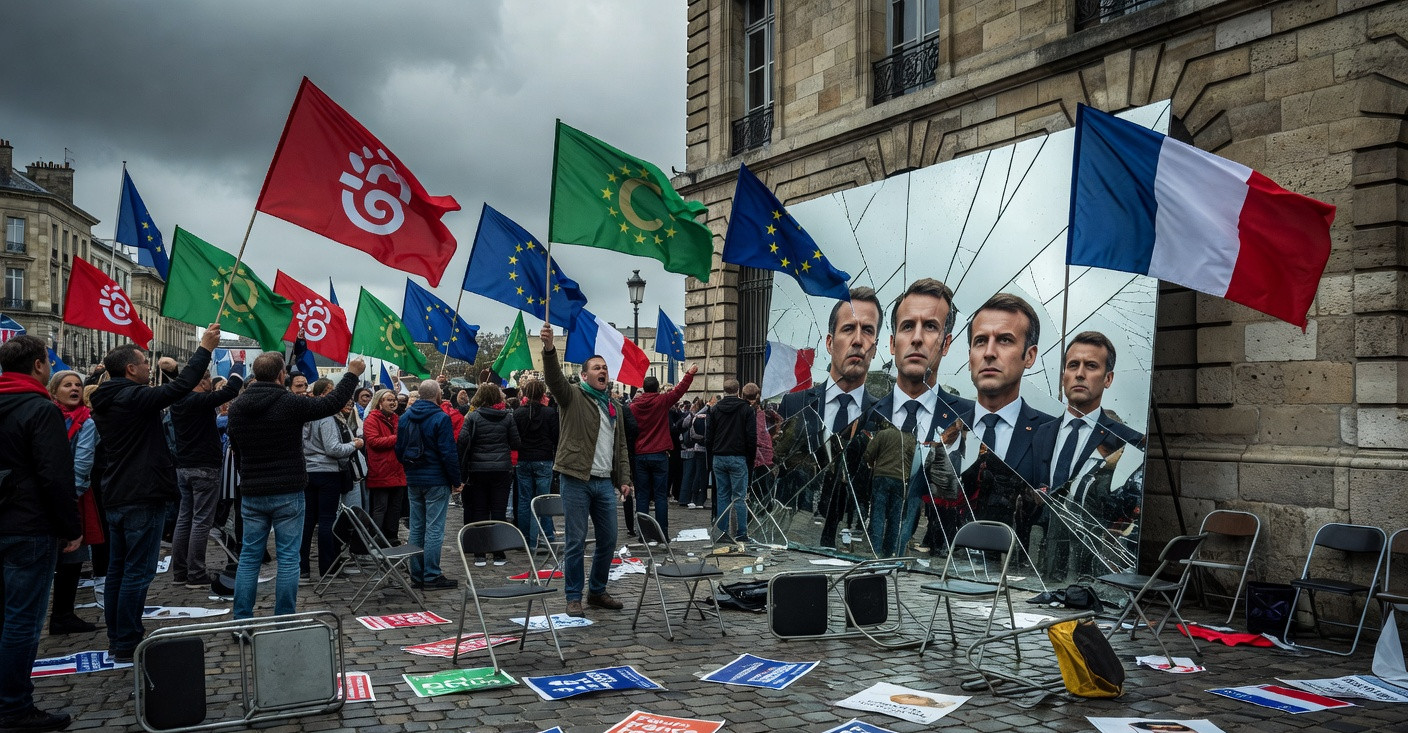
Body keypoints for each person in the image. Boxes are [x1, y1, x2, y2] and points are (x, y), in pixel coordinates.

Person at [90, 326, 220, 662]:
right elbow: (178, 388)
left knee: (118, 569)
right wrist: (203, 349)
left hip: (118, 492)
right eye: (144, 364)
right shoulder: (131, 397)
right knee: (137, 571)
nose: (149, 369)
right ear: (130, 369)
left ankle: (119, 637)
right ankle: (128, 639)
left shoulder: (108, 398)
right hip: (141, 493)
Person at [226, 353, 364, 619]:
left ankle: (241, 619)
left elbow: (237, 449)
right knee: (288, 558)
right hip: (287, 489)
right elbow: (330, 404)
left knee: (249, 557)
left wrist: (249, 475)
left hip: (253, 490)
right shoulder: (287, 402)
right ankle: (284, 618)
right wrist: (352, 373)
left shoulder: (238, 406)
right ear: (281, 376)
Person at [0, 335, 83, 732]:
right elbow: (56, 475)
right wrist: (70, 528)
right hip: (30, 526)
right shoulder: (39, 409)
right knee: (22, 621)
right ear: (38, 366)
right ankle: (14, 706)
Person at [866, 278, 973, 555]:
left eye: (930, 326)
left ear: (946, 343)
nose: (916, 338)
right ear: (892, 343)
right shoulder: (868, 413)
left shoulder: (967, 417)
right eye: (907, 326)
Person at [538, 322, 632, 617]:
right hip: (576, 478)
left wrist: (624, 479)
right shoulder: (573, 396)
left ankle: (597, 591)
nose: (602, 371)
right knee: (575, 540)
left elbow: (621, 448)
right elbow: (554, 379)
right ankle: (573, 596)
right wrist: (550, 349)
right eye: (596, 368)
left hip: (604, 482)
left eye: (604, 367)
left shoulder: (613, 406)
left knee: (609, 539)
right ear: (584, 375)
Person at [777, 287, 882, 547]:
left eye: (868, 330)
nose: (858, 340)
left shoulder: (883, 415)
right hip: (793, 543)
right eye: (848, 329)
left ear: (876, 348)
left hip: (854, 546)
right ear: (829, 341)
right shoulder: (794, 404)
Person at [168, 367, 243, 589]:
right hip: (204, 466)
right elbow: (230, 391)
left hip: (184, 466)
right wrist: (237, 373)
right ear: (203, 381)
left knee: (185, 519)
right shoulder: (198, 400)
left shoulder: (177, 401)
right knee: (201, 521)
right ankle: (196, 572)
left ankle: (180, 572)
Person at [44, 371, 102, 635]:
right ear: (54, 390)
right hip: (54, 496)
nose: (74, 388)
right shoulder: (46, 415)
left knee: (73, 557)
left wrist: (72, 495)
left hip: (72, 494)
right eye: (67, 385)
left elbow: (83, 463)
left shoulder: (86, 422)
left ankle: (63, 614)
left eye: (78, 385)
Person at [395, 381, 461, 591]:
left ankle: (417, 573)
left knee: (416, 527)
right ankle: (431, 574)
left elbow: (399, 449)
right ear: (438, 395)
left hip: (414, 477)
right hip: (436, 478)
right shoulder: (440, 417)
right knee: (434, 528)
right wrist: (456, 480)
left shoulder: (405, 417)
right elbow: (448, 452)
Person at [299, 379, 362, 582]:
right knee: (325, 521)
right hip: (325, 473)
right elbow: (333, 449)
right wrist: (355, 444)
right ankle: (328, 568)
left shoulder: (305, 413)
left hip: (309, 471)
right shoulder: (324, 416)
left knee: (307, 522)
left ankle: (303, 569)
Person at [627, 365, 697, 537]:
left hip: (640, 454)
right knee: (660, 496)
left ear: (643, 389)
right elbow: (679, 391)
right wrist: (689, 374)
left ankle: (643, 532)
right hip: (659, 453)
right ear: (657, 388)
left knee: (642, 496)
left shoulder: (634, 407)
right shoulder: (662, 401)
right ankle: (662, 532)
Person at [458, 383, 521, 566]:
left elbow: (462, 440)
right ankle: (499, 553)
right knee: (499, 511)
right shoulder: (508, 418)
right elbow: (516, 442)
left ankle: (480, 553)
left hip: (477, 469)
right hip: (501, 468)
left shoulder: (472, 417)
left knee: (480, 510)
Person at [706, 379, 757, 542]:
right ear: (738, 390)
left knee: (722, 496)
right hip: (738, 456)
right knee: (739, 497)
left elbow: (709, 437)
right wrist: (750, 458)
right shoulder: (746, 409)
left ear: (724, 390)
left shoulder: (714, 409)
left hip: (719, 456)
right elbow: (751, 437)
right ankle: (741, 533)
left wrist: (711, 456)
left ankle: (722, 531)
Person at [512, 378, 558, 551]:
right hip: (543, 458)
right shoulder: (549, 413)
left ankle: (524, 537)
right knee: (543, 499)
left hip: (524, 459)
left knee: (524, 500)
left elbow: (514, 438)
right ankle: (547, 536)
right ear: (542, 394)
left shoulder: (518, 413)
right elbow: (556, 436)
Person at [363, 388, 405, 542]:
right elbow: (374, 441)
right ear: (380, 402)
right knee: (380, 508)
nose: (393, 402)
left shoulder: (397, 419)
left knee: (395, 508)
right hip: (380, 470)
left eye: (394, 399)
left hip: (397, 470)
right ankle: (376, 538)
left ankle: (392, 537)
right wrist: (397, 438)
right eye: (389, 399)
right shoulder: (371, 420)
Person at [677, 398, 707, 510]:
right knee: (694, 475)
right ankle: (690, 498)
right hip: (694, 449)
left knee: (691, 475)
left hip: (690, 448)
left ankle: (689, 498)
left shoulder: (690, 416)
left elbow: (680, 426)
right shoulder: (696, 417)